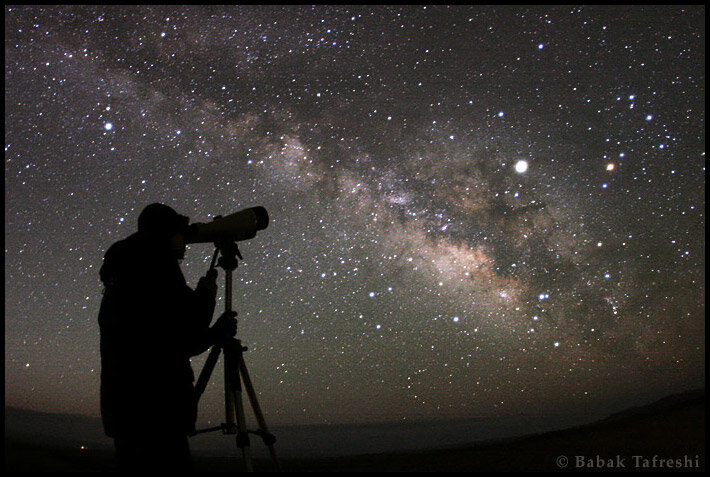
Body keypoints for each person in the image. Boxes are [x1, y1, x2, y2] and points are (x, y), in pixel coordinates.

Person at [98, 203, 236, 471]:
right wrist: (214, 323)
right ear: (164, 234)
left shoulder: (126, 268)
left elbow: (160, 333)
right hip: (158, 414)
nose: (185, 242)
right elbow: (186, 334)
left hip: (125, 411)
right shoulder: (157, 268)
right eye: (180, 235)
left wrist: (206, 287)